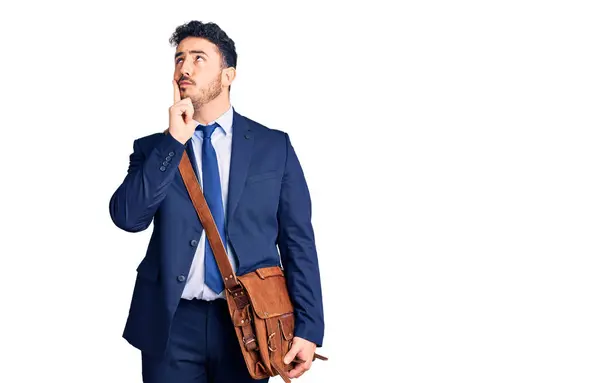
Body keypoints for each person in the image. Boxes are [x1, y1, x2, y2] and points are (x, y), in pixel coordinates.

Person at [108, 20, 325, 382]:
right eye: (179, 59)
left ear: (228, 76)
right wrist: (173, 141)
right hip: (171, 324)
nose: (184, 68)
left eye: (198, 58)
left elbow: (298, 240)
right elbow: (128, 217)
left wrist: (310, 326)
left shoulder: (274, 148)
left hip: (252, 323)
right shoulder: (154, 149)